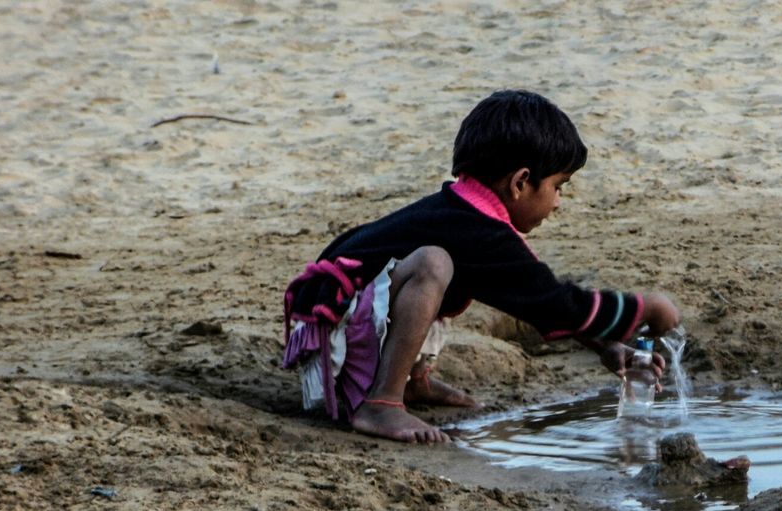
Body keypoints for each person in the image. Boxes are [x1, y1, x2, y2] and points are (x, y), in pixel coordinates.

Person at [282, 90, 681, 443]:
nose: (558, 202)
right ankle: (381, 402)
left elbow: (536, 301)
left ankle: (410, 382)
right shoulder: (477, 228)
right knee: (432, 265)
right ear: (521, 181)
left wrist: (608, 348)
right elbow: (557, 306)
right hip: (331, 346)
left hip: (337, 328)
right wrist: (643, 308)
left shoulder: (467, 215)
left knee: (443, 269)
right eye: (558, 187)